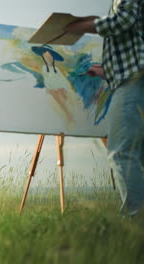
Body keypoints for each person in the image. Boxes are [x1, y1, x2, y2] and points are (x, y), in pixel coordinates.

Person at [66, 0, 144, 216]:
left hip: (133, 80)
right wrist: (104, 71)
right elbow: (134, 42)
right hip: (134, 77)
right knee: (138, 154)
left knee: (121, 153)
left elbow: (122, 21)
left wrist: (80, 26)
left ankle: (136, 219)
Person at [32, 45, 75, 125]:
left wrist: (63, 88)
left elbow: (62, 80)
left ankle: (70, 114)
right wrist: (51, 88)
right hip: (52, 88)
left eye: (49, 57)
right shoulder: (44, 68)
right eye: (46, 57)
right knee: (55, 94)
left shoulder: (57, 70)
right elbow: (47, 80)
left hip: (60, 87)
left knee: (61, 93)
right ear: (44, 58)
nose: (48, 59)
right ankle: (68, 114)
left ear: (52, 58)